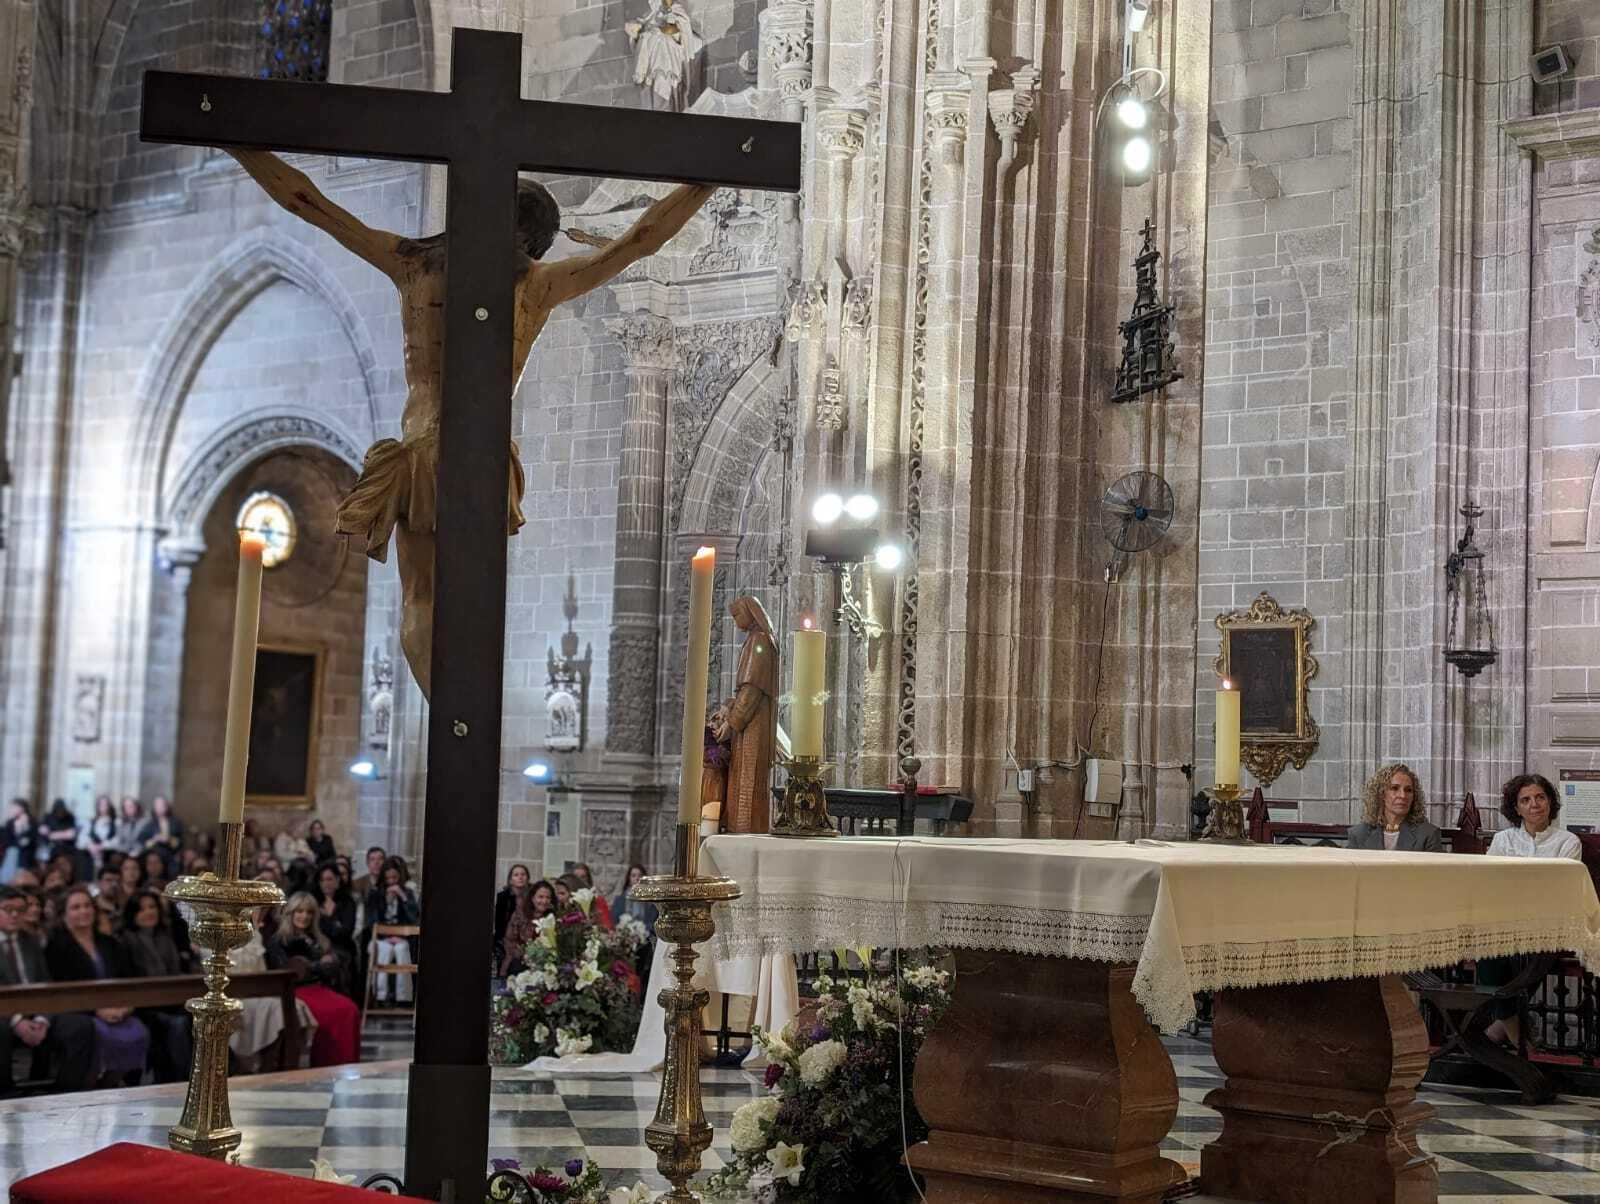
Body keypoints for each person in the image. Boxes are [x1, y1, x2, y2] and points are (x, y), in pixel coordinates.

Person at [226, 149, 713, 697]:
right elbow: (642, 238)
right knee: (474, 600)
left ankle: (449, 715)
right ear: (534, 239)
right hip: (481, 457)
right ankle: (466, 721)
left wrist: (241, 146)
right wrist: (708, 178)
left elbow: (306, 200)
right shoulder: (538, 285)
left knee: (421, 598)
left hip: (422, 452)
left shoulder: (410, 262)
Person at [1477, 773, 1582, 1049]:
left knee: (1531, 955)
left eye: (1540, 797)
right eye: (1525, 799)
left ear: (1550, 802)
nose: (1534, 804)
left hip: (1547, 924)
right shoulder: (1502, 839)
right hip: (1504, 921)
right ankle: (1518, 1036)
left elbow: (1559, 889)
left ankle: (1502, 1029)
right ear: (1516, 807)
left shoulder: (1567, 842)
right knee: (1484, 948)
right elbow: (1489, 883)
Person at [44, 886, 150, 1086]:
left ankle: (109, 1085)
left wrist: (126, 1007)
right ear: (64, 914)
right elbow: (62, 987)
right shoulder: (56, 946)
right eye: (75, 907)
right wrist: (97, 1010)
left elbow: (126, 979)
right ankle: (87, 1088)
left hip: (117, 1008)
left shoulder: (109, 943)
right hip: (79, 1010)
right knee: (99, 1034)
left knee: (139, 1032)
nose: (83, 911)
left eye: (87, 905)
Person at [0, 886, 95, 1095]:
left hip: (37, 1011)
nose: (15, 915)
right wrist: (17, 1021)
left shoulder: (30, 941)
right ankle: (6, 1096)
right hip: (5, 1016)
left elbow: (46, 983)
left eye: (20, 909)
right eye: (8, 909)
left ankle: (65, 1093)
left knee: (80, 1026)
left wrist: (43, 1019)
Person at [267, 893, 361, 1065]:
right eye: (300, 911)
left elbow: (333, 968)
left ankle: (345, 1064)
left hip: (319, 988)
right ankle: (323, 1064)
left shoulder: (318, 938)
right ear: (291, 913)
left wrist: (314, 966)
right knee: (330, 1013)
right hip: (294, 991)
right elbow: (290, 970)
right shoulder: (279, 940)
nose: (305, 916)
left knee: (350, 1009)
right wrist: (317, 965)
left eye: (309, 912)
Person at [119, 889, 193, 1082]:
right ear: (132, 914)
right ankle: (181, 1082)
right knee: (177, 1024)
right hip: (143, 1005)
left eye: (152, 907)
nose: (148, 912)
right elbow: (128, 980)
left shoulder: (165, 937)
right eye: (141, 909)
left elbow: (176, 973)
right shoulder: (126, 940)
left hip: (172, 1000)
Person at [1347, 763, 1444, 852]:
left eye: (1408, 790)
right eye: (1394, 788)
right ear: (1382, 794)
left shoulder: (1428, 834)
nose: (1402, 795)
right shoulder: (1359, 834)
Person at [367, 857, 419, 1004]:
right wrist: (387, 935)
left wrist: (402, 897)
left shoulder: (407, 893)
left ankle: (404, 996)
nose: (391, 881)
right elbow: (372, 920)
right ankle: (381, 996)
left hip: (402, 938)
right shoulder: (375, 894)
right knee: (385, 950)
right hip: (381, 938)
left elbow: (414, 917)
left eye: (394, 877)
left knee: (402, 949)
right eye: (388, 878)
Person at [498, 879, 555, 978]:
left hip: (545, 962)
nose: (544, 901)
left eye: (548, 897)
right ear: (533, 898)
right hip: (520, 959)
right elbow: (509, 940)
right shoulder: (520, 914)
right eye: (540, 897)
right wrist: (525, 956)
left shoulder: (553, 917)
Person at [494, 864, 532, 970]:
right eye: (516, 875)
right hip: (508, 939)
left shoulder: (532, 896)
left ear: (528, 878)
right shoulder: (503, 897)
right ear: (510, 880)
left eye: (523, 874)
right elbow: (499, 923)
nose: (520, 877)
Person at [135, 796, 184, 866]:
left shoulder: (175, 823)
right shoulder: (150, 824)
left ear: (167, 806)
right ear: (154, 808)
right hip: (155, 854)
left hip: (172, 853)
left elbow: (180, 841)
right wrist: (155, 839)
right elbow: (141, 840)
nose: (160, 807)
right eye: (158, 805)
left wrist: (168, 839)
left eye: (162, 805)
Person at [2, 800, 41, 883]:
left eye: (14, 808)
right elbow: (6, 841)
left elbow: (33, 840)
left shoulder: (32, 822)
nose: (11, 810)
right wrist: (18, 833)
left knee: (19, 852)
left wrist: (25, 829)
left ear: (21, 809)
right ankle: (7, 881)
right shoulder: (10, 823)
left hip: (27, 855)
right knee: (13, 851)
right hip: (12, 853)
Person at [612, 863, 658, 929]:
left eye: (640, 875)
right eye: (633, 876)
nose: (637, 878)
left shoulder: (651, 902)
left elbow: (654, 924)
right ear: (629, 879)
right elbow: (614, 922)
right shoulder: (619, 900)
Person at [570, 863, 615, 928]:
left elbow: (608, 927)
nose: (579, 880)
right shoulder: (566, 899)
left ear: (588, 879)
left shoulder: (598, 900)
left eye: (583, 877)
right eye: (576, 877)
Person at [41, 801, 80, 869]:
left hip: (66, 850)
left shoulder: (70, 818)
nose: (60, 813)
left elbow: (71, 835)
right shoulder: (48, 817)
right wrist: (64, 834)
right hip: (50, 850)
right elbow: (43, 832)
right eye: (58, 811)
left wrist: (53, 835)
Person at [85, 797, 118, 866]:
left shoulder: (116, 821)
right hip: (93, 856)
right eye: (101, 805)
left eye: (106, 805)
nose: (103, 807)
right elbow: (86, 837)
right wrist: (90, 845)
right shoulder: (92, 821)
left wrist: (101, 846)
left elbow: (117, 839)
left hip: (109, 855)